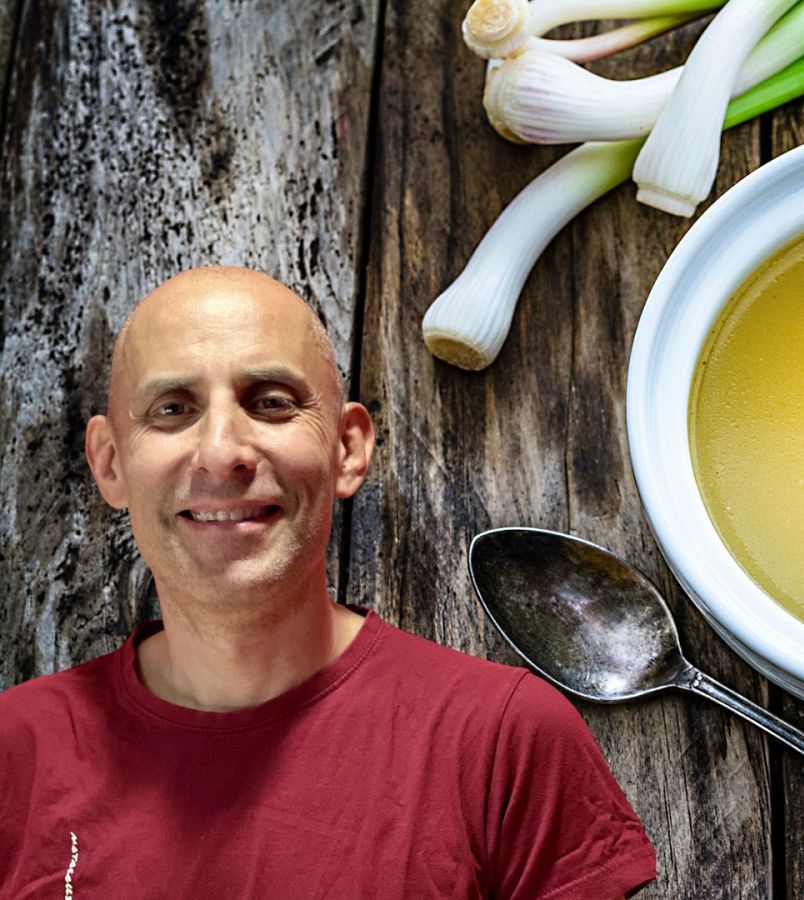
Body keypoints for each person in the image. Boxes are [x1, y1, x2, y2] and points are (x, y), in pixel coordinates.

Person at [0, 266, 656, 899]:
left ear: (347, 449)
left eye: (271, 403)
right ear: (110, 462)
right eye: (173, 409)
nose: (222, 453)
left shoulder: (501, 741)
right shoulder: (16, 752)